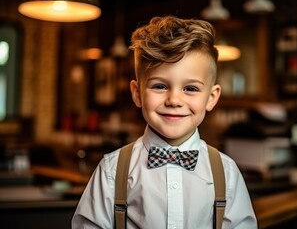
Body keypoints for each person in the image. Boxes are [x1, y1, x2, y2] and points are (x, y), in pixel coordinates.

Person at [72, 15, 257, 229]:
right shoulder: (112, 171)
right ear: (137, 93)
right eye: (160, 86)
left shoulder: (227, 173)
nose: (174, 101)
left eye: (191, 88)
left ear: (211, 98)